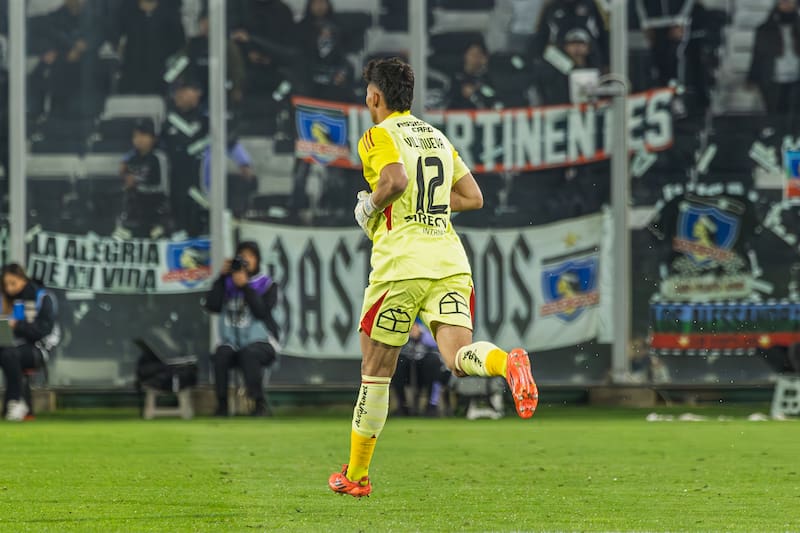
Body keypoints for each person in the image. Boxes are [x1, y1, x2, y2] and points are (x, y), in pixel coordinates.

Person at [328, 58, 539, 498]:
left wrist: (369, 207)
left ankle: (358, 476)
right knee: (457, 356)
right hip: (449, 261)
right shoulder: (436, 137)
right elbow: (473, 197)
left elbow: (396, 179)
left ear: (374, 96)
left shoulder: (377, 134)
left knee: (375, 372)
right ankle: (506, 363)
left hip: (401, 267)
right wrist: (430, 208)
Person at [205, 241, 280, 417]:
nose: (246, 260)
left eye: (251, 256)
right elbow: (212, 306)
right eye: (242, 256)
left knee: (249, 353)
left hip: (262, 342)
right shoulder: (227, 284)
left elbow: (262, 312)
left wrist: (245, 287)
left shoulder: (267, 284)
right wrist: (221, 278)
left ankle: (258, 404)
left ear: (258, 260)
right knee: (221, 353)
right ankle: (222, 405)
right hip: (232, 342)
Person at [0, 264, 59, 422]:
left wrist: (17, 325)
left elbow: (43, 330)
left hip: (38, 349)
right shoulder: (4, 301)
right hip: (10, 347)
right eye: (6, 285)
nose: (9, 288)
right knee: (7, 353)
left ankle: (16, 401)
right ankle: (16, 404)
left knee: (9, 355)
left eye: (13, 283)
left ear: (23, 279)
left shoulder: (42, 297)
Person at [114, 0, 185, 94]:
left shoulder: (171, 13)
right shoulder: (126, 11)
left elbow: (182, 51)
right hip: (130, 80)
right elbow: (114, 40)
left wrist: (169, 77)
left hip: (161, 83)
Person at [747, 0, 800, 117]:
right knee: (775, 114)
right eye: (784, 3)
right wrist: (752, 78)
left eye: (791, 3)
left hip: (796, 78)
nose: (787, 6)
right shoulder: (764, 29)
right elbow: (758, 55)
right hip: (772, 78)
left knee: (795, 115)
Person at [119, 118, 169, 238]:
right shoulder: (131, 159)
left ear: (153, 138)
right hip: (134, 214)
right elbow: (126, 187)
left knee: (157, 237)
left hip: (157, 213)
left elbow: (163, 187)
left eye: (143, 135)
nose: (139, 139)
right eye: (136, 136)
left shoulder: (159, 157)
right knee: (119, 237)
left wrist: (136, 183)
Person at [391, 320, 451, 417]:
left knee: (434, 362)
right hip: (408, 371)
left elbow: (438, 343)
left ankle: (432, 405)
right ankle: (402, 405)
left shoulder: (428, 330)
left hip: (426, 372)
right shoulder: (401, 332)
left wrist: (420, 336)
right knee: (397, 363)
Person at [447, 39, 500, 110]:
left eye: (478, 54)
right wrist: (462, 92)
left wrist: (477, 90)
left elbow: (492, 95)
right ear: (465, 55)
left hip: (480, 116)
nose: (475, 58)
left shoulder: (485, 78)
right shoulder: (455, 76)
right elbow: (449, 95)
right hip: (457, 115)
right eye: (472, 54)